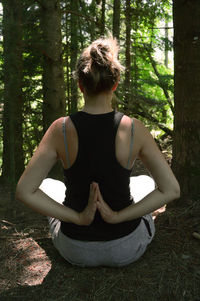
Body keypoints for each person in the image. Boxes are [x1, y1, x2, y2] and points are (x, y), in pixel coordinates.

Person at [16, 36, 180, 267]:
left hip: (76, 249)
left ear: (80, 85)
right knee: (144, 182)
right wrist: (116, 217)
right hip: (125, 247)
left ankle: (73, 221)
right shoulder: (133, 129)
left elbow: (24, 191)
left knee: (45, 186)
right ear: (115, 84)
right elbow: (171, 190)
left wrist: (79, 218)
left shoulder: (60, 129)